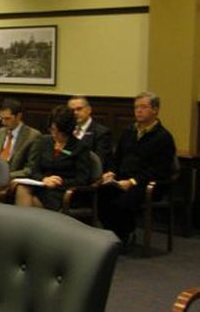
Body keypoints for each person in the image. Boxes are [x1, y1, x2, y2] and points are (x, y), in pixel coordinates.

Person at [98, 92, 176, 246]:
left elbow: (160, 170)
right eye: (136, 108)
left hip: (147, 183)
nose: (138, 111)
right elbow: (117, 158)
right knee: (101, 192)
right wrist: (111, 173)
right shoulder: (129, 132)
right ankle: (112, 234)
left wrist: (133, 181)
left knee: (124, 201)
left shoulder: (163, 137)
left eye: (143, 107)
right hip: (122, 179)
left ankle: (124, 235)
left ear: (155, 110)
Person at [15, 106, 91, 210]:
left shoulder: (80, 147)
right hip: (42, 187)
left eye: (59, 132)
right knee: (21, 188)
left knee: (29, 203)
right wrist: (44, 179)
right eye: (52, 130)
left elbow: (82, 179)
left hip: (63, 192)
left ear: (67, 130)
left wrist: (58, 182)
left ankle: (25, 224)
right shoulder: (44, 142)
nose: (54, 134)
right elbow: (33, 170)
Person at [0, 98, 40, 179]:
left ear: (19, 116)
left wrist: (6, 176)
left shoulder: (32, 136)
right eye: (1, 118)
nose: (3, 123)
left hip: (13, 177)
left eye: (7, 119)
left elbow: (30, 169)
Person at [68, 95, 113, 170]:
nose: (75, 113)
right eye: (72, 110)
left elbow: (99, 162)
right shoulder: (66, 130)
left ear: (89, 110)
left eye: (79, 109)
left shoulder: (101, 132)